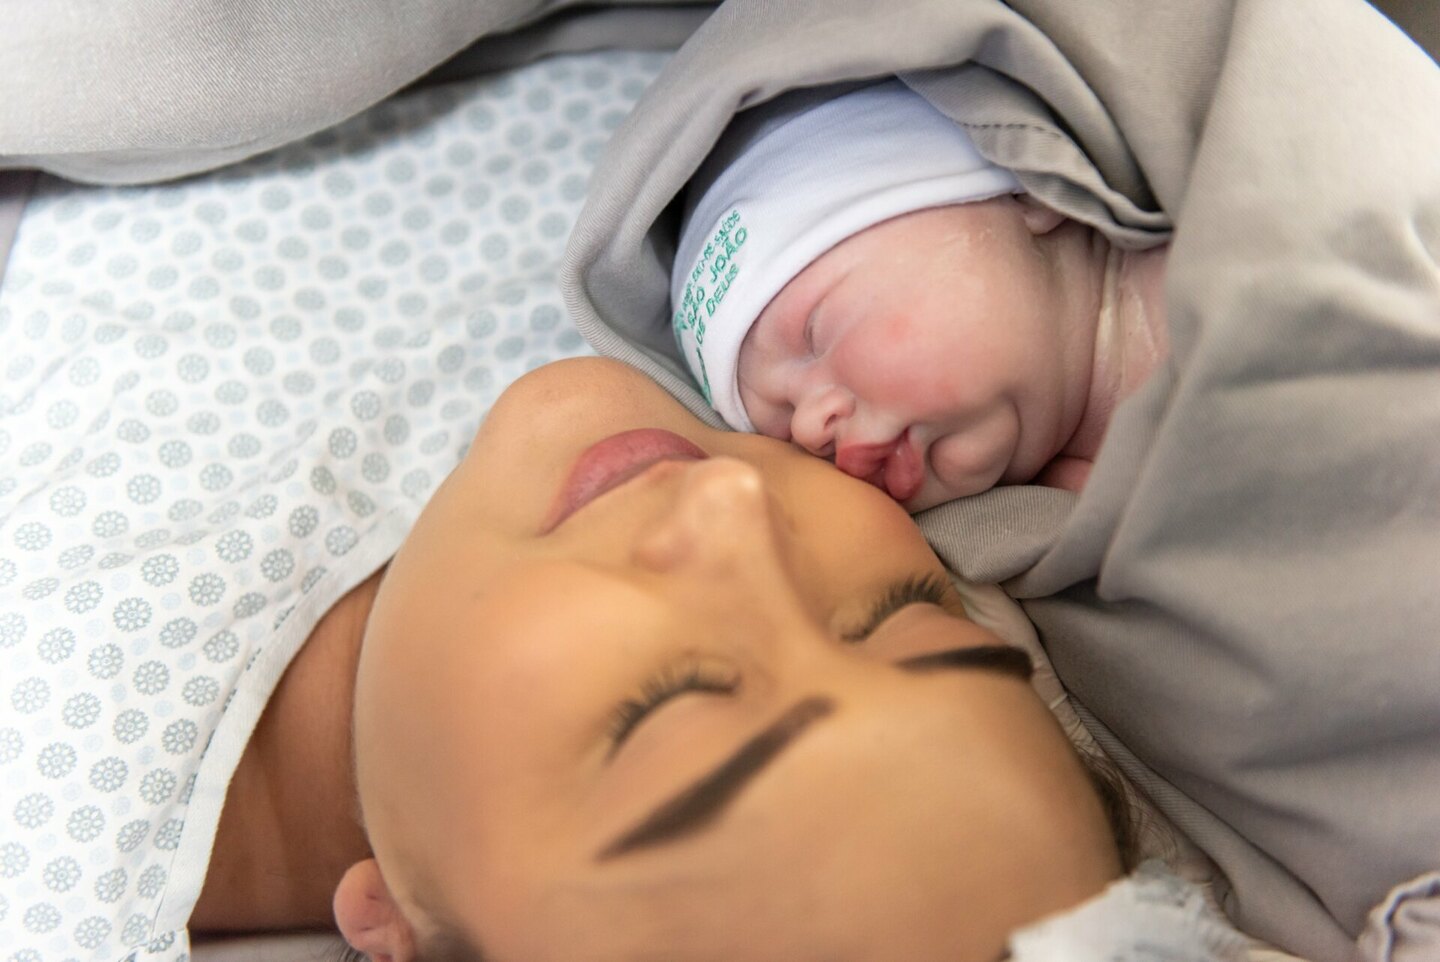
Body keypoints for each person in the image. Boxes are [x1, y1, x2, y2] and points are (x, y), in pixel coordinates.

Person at [188, 356, 1185, 962]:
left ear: (397, 927)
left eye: (666, 706)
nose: (734, 506)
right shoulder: (814, 362)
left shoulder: (46, 809)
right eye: (905, 614)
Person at [669, 81, 1169, 510]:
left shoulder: (1197, 243)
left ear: (1031, 192)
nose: (808, 429)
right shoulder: (1076, 520)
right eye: (781, 434)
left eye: (815, 333)